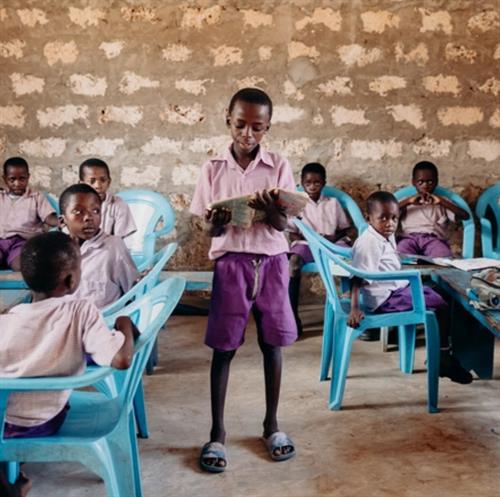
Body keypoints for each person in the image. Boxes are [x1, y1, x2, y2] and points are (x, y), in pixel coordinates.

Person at [190, 88, 297, 473]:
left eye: (257, 127)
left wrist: (273, 210)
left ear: (268, 127)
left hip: (271, 262)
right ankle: (217, 433)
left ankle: (272, 426)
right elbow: (207, 228)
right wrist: (215, 222)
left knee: (273, 345)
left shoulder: (279, 165)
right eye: (240, 124)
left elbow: (284, 223)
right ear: (227, 119)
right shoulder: (212, 168)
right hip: (231, 264)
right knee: (224, 348)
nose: (247, 134)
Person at [0, 232, 138, 491]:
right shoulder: (81, 310)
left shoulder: (9, 319)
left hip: (3, 421)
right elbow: (120, 358)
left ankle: (11, 486)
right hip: (44, 420)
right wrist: (125, 325)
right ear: (71, 279)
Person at [347, 191, 472, 384]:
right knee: (442, 304)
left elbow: (384, 262)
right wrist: (355, 307)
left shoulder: (383, 235)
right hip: (387, 299)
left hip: (395, 289)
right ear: (368, 218)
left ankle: (443, 355)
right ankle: (443, 358)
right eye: (383, 218)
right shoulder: (369, 242)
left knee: (444, 295)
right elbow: (358, 277)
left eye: (394, 218)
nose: (390, 223)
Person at [288, 162, 354, 334]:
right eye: (308, 183)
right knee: (293, 263)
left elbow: (347, 229)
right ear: (302, 183)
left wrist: (335, 237)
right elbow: (292, 232)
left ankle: (353, 311)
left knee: (353, 261)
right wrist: (304, 239)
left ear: (324, 183)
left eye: (317, 182)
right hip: (307, 245)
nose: (312, 186)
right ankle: (292, 318)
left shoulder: (333, 203)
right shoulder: (296, 203)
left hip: (332, 244)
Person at [58, 183, 139, 309]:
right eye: (78, 211)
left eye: (95, 211)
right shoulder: (56, 250)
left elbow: (133, 293)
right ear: (62, 221)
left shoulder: (113, 248)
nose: (89, 217)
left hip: (102, 323)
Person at [397, 161, 469, 257]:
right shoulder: (407, 201)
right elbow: (386, 214)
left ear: (436, 182)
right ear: (413, 182)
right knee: (399, 255)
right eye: (420, 182)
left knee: (444, 257)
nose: (425, 186)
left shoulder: (443, 202)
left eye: (430, 182)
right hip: (408, 239)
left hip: (434, 240)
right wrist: (408, 202)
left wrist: (442, 202)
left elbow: (465, 216)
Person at [0, 157, 58, 270]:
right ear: (5, 179)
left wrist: (61, 221)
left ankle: (11, 260)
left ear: (28, 177)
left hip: (24, 242)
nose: (17, 183)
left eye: (22, 179)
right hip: (1, 241)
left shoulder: (36, 197)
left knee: (21, 265)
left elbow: (48, 217)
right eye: (12, 179)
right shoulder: (1, 197)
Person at [79, 158, 136, 239]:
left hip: (110, 250)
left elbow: (119, 241)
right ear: (82, 184)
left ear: (108, 182)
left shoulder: (118, 205)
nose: (98, 186)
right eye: (92, 181)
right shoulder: (76, 205)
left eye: (103, 180)